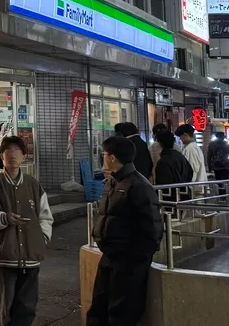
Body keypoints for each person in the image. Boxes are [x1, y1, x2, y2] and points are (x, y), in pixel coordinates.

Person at [0, 135, 54, 326]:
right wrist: (4, 218)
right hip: (6, 254)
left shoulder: (33, 185)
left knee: (28, 305)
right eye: (8, 151)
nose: (12, 155)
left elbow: (45, 216)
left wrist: (41, 238)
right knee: (8, 305)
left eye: (17, 151)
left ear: (24, 156)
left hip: (31, 252)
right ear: (2, 156)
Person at [87, 135, 163, 326]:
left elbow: (152, 230)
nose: (102, 158)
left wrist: (134, 259)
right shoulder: (112, 182)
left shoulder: (139, 185)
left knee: (120, 315)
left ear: (112, 157)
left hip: (128, 263)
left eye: (104, 154)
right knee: (98, 309)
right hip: (109, 257)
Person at [152, 130, 191, 205]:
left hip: (171, 199)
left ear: (159, 144)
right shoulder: (180, 156)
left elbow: (163, 185)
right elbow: (190, 172)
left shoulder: (163, 161)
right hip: (183, 194)